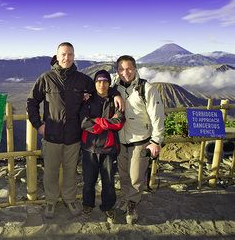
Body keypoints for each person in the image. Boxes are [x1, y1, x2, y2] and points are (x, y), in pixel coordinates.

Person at [26, 42, 123, 218]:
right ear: (57, 56)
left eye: (70, 54)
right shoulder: (46, 78)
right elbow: (32, 101)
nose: (66, 58)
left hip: (73, 137)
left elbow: (101, 88)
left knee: (71, 172)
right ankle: (50, 201)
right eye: (63, 54)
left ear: (74, 56)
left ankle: (70, 199)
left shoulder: (82, 79)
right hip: (51, 136)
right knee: (50, 172)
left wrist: (115, 93)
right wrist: (38, 124)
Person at [112, 55, 165, 225]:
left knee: (136, 176)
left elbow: (157, 116)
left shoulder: (146, 89)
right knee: (124, 174)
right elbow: (99, 86)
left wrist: (156, 141)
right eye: (121, 69)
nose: (125, 72)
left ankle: (132, 204)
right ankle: (125, 199)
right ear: (117, 71)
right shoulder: (115, 86)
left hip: (140, 140)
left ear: (135, 69)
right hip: (120, 140)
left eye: (129, 69)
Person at [80, 70, 125, 224]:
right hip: (90, 148)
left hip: (109, 148)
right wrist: (105, 123)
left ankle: (108, 207)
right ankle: (87, 205)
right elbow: (84, 122)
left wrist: (97, 122)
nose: (102, 84)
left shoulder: (115, 101)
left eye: (105, 81)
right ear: (95, 83)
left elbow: (119, 122)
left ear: (109, 83)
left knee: (108, 181)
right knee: (88, 181)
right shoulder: (87, 100)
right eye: (99, 81)